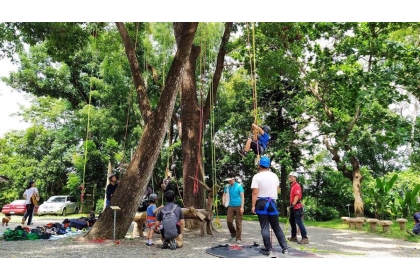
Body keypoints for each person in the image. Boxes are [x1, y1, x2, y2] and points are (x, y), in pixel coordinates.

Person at [251, 156, 289, 258]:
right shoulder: (275, 176)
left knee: (265, 227)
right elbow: (277, 190)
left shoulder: (257, 177)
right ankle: (285, 248)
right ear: (268, 166)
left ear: (259, 165)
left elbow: (255, 192)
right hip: (272, 202)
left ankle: (268, 250)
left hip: (261, 203)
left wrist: (253, 206)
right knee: (276, 227)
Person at [222, 172, 244, 244]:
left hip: (238, 206)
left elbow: (242, 197)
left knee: (238, 223)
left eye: (230, 180)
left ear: (233, 179)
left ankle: (238, 238)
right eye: (228, 180)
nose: (229, 181)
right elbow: (224, 195)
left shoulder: (239, 186)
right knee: (229, 221)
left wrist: (242, 207)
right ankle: (233, 234)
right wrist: (223, 200)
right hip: (230, 206)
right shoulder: (227, 187)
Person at [288, 171, 309, 244]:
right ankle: (293, 237)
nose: (289, 178)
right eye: (289, 177)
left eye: (291, 177)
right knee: (292, 221)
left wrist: (293, 203)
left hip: (297, 207)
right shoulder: (292, 185)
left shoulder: (296, 185)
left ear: (294, 177)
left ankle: (305, 238)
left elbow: (297, 195)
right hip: (293, 207)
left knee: (299, 222)